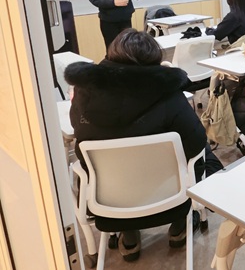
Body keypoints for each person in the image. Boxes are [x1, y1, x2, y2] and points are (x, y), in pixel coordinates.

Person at [64, 29, 222, 262]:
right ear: (154, 59)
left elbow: (77, 130)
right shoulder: (169, 92)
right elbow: (195, 144)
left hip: (108, 199)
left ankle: (129, 238)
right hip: (171, 198)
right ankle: (179, 227)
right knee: (201, 150)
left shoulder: (84, 94)